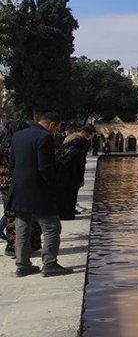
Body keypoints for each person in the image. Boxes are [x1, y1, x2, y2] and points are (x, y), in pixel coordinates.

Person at [6, 112, 72, 277]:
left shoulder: (18, 136)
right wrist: (53, 187)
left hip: (19, 188)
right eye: (56, 128)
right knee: (51, 227)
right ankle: (50, 264)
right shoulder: (45, 137)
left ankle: (22, 265)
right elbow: (45, 168)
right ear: (50, 124)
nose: (56, 131)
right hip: (38, 190)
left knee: (22, 227)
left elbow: (12, 164)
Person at [0, 120, 42, 257]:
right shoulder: (16, 145)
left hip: (5, 185)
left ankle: (12, 247)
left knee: (11, 215)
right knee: (26, 215)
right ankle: (25, 246)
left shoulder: (4, 145)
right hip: (18, 184)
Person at [55, 124, 92, 220]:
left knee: (63, 195)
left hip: (62, 172)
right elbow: (79, 163)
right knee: (70, 195)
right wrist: (80, 178)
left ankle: (62, 213)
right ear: (84, 134)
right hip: (71, 174)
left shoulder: (70, 141)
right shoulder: (79, 145)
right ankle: (67, 215)